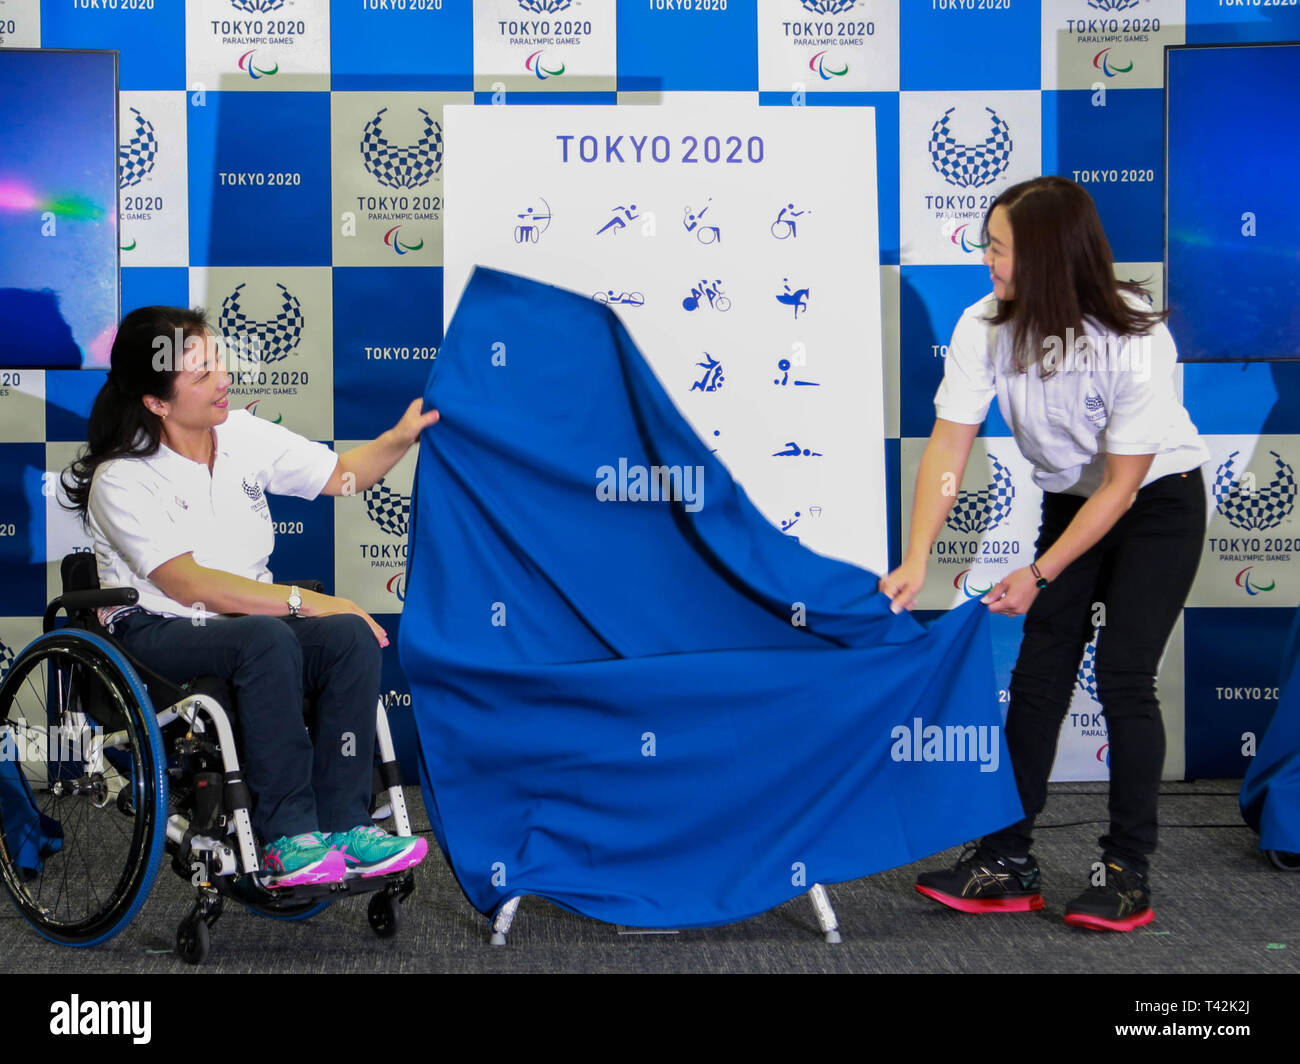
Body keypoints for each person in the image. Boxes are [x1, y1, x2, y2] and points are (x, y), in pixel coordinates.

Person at [881, 176, 1209, 931]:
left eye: (998, 249)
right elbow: (948, 447)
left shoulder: (1134, 338)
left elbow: (1123, 487)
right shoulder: (983, 325)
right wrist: (918, 555)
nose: (986, 262)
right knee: (1037, 676)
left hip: (1155, 500)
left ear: (1048, 257)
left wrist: (1037, 573)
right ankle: (1007, 858)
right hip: (1072, 501)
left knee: (1125, 675)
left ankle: (1126, 868)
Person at [62, 306, 438, 889]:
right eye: (201, 373)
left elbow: (343, 475)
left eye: (218, 361)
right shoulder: (123, 478)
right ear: (157, 402)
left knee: (348, 636)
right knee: (268, 637)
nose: (222, 379)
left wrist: (399, 438)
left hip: (246, 623)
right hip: (157, 629)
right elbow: (188, 584)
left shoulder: (239, 433)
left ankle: (342, 823)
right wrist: (305, 601)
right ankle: (288, 836)